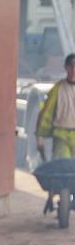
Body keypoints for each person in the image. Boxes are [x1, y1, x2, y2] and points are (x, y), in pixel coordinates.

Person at [36, 53, 75, 212]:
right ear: (65, 68)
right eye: (71, 66)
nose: (74, 70)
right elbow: (46, 114)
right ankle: (61, 193)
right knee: (63, 168)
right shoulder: (58, 90)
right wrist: (40, 137)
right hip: (61, 136)